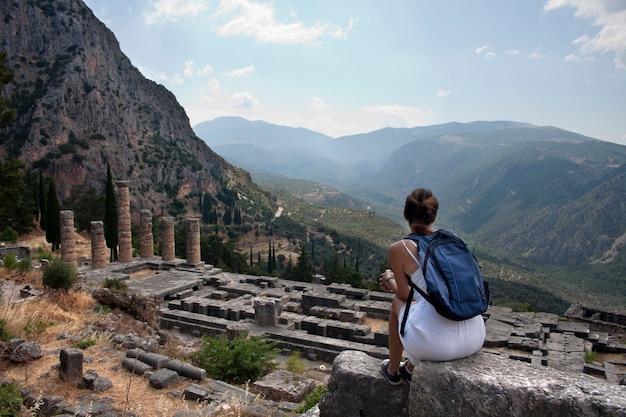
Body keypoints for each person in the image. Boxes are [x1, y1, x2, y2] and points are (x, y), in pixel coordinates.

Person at [379, 188, 485, 385]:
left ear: (405, 214)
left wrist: (388, 280)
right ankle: (410, 368)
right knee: (424, 306)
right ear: (433, 216)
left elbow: (403, 294)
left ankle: (393, 371)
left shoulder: (399, 248)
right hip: (475, 336)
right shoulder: (452, 239)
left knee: (397, 304)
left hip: (435, 346)